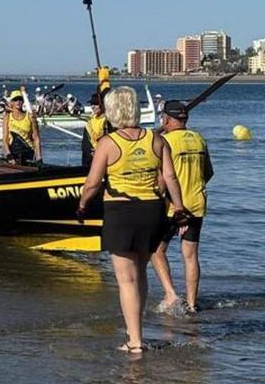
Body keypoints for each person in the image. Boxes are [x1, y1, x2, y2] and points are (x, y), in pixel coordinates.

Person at [77, 86, 188, 354]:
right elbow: (170, 178)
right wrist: (180, 207)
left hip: (120, 212)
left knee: (126, 279)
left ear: (113, 110)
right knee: (140, 273)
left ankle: (134, 340)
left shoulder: (108, 142)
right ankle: (137, 332)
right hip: (152, 211)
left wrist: (82, 205)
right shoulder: (156, 140)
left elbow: (92, 183)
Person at [151, 100, 214, 313]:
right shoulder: (198, 139)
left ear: (166, 119)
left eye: (163, 118)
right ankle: (192, 303)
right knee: (190, 255)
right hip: (196, 203)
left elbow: (161, 180)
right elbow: (208, 173)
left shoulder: (164, 141)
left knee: (157, 250)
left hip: (172, 206)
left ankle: (171, 295)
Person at [2, 90, 42, 165]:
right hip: (14, 152)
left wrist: (39, 157)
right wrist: (8, 155)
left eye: (20, 99)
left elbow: (36, 138)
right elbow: (5, 139)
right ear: (12, 103)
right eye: (15, 100)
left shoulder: (30, 116)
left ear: (23, 101)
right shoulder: (7, 117)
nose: (18, 102)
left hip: (29, 151)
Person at [81, 93, 108, 167]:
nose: (92, 107)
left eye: (95, 104)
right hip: (87, 159)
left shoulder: (106, 121)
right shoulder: (91, 119)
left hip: (98, 158)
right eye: (91, 104)